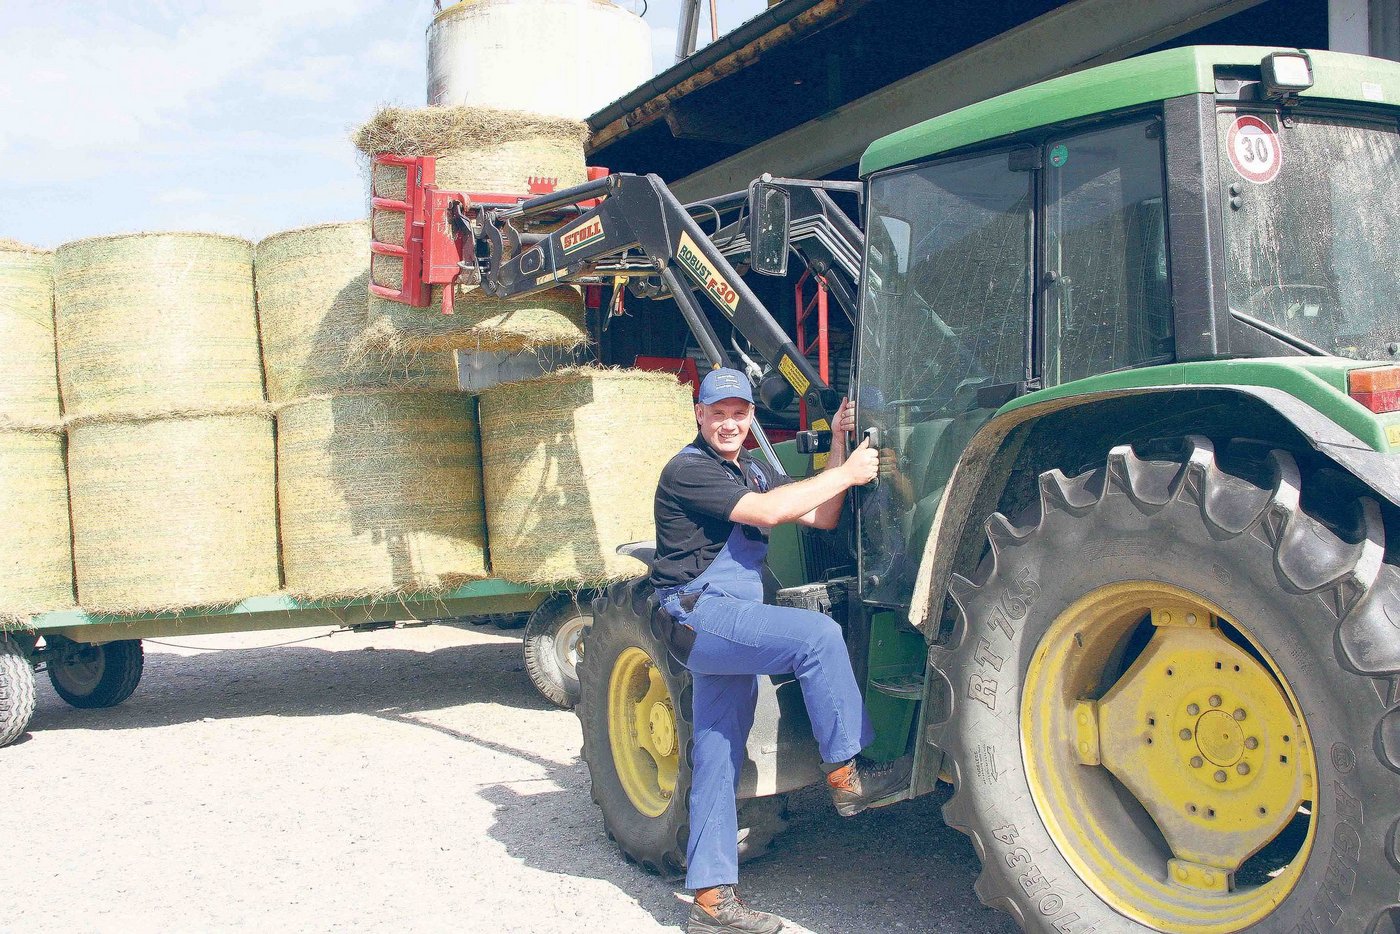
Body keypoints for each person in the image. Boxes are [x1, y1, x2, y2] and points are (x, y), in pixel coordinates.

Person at [651, 367, 914, 934]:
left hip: (732, 619)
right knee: (816, 637)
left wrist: (838, 444)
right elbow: (770, 513)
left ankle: (710, 900)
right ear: (699, 415)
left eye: (738, 413)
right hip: (699, 615)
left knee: (717, 752)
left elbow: (821, 514)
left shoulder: (752, 467)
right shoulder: (689, 469)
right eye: (717, 413)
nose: (728, 423)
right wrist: (847, 471)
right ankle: (847, 775)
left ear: (751, 417)